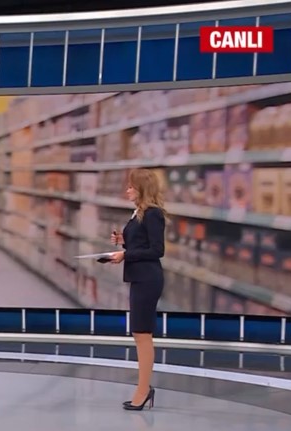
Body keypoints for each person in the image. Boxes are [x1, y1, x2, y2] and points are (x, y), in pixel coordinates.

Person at [107, 168, 166, 411]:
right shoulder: (139, 214)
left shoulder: (153, 214)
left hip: (148, 279)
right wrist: (123, 241)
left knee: (142, 334)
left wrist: (126, 255)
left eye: (131, 186)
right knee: (139, 333)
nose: (127, 190)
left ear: (142, 189)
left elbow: (157, 250)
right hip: (140, 278)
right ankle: (143, 389)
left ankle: (143, 391)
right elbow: (142, 242)